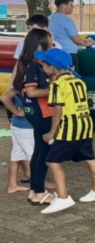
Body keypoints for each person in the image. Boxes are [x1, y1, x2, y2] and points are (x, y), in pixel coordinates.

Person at [36, 48, 95, 215]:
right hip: (85, 124)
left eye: (44, 64)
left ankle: (63, 197)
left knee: (52, 161)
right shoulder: (78, 81)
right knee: (89, 156)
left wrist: (52, 132)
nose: (42, 67)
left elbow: (58, 110)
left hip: (70, 127)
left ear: (52, 67)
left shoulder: (57, 85)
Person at [17, 29, 55, 205]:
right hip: (42, 113)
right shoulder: (34, 66)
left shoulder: (32, 64)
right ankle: (39, 192)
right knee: (44, 153)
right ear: (40, 43)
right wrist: (56, 90)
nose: (51, 42)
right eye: (49, 39)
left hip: (36, 113)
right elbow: (31, 92)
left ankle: (34, 190)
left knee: (39, 151)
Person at [48, 0, 93, 70]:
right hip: (68, 54)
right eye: (71, 5)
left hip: (52, 54)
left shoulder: (48, 18)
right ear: (63, 6)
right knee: (70, 76)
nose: (73, 7)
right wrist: (89, 42)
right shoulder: (67, 21)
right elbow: (77, 40)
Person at [1, 87, 32, 193]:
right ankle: (38, 187)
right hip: (26, 127)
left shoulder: (21, 86)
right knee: (33, 157)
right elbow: (4, 97)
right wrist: (16, 111)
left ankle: (12, 185)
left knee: (17, 155)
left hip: (18, 125)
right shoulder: (28, 85)